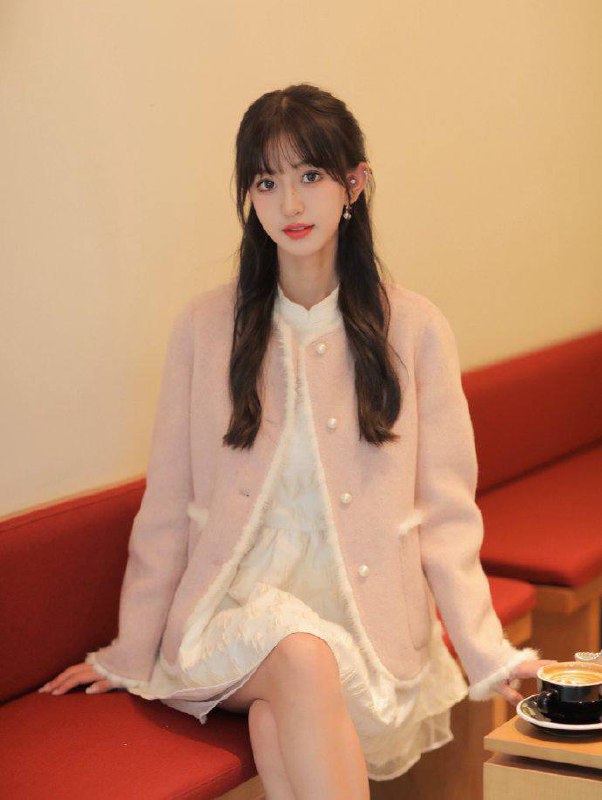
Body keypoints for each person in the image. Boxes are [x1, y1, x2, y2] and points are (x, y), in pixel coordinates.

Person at [39, 83, 557, 799]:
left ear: (355, 184)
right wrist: (130, 651)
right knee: (303, 658)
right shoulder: (205, 328)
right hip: (226, 615)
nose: (289, 203)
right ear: (248, 198)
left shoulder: (415, 330)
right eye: (266, 182)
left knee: (280, 715)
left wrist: (486, 651)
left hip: (366, 619)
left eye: (310, 175)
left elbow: (446, 514)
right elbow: (168, 507)